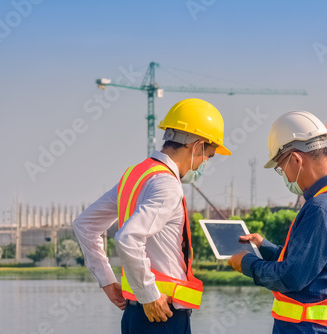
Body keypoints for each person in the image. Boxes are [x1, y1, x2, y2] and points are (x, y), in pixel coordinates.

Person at [73, 98, 231, 334]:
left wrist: (107, 280)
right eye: (208, 155)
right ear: (197, 146)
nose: (204, 163)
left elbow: (83, 225)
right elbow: (127, 238)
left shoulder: (135, 175)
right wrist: (148, 295)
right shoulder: (167, 184)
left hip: (136, 315)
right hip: (160, 315)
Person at [228, 111, 327, 334]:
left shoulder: (321, 207)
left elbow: (291, 277)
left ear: (296, 159)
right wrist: (265, 247)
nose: (286, 177)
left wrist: (247, 264)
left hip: (310, 329)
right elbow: (311, 263)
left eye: (281, 168)